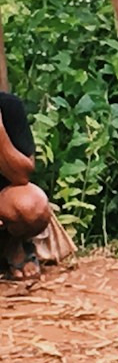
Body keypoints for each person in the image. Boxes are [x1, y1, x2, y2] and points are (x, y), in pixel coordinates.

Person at [0, 90, 52, 281]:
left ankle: (13, 247)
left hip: (2, 203)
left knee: (32, 207)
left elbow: (22, 176)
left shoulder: (8, 106)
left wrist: (0, 134)